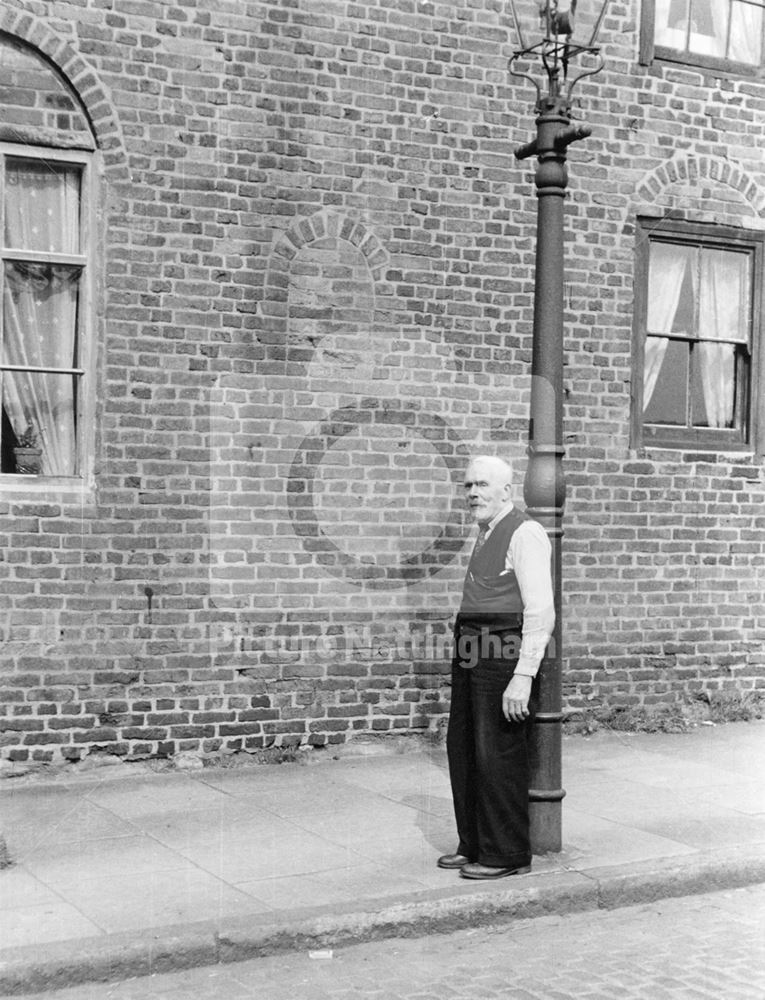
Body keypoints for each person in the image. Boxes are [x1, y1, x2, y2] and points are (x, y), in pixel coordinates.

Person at [439, 455, 555, 879]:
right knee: (465, 748)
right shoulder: (486, 531)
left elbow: (540, 611)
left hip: (502, 652)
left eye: (483, 485)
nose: (473, 494)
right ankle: (473, 843)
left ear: (506, 490)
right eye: (469, 485)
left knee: (498, 754)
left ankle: (506, 854)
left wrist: (522, 676)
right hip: (472, 647)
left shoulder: (525, 532)